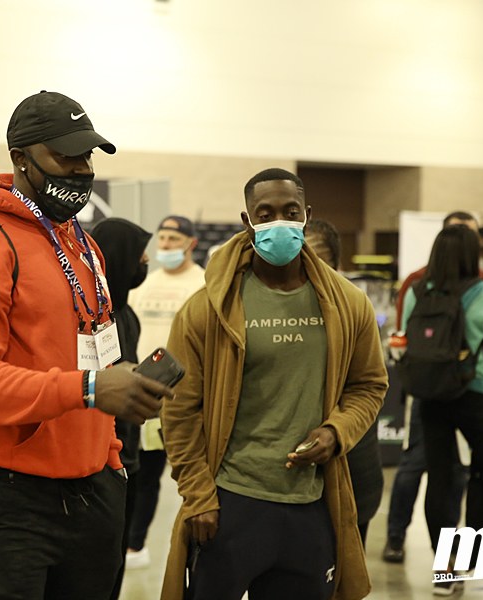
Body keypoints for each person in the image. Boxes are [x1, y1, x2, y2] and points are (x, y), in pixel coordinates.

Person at [0, 90, 171, 600]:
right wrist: (88, 389)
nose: (82, 169)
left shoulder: (82, 243)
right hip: (7, 496)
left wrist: (109, 454)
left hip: (92, 487)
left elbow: (95, 348)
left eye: (88, 156)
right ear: (21, 159)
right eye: (66, 156)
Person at [161, 168, 387, 600]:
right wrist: (198, 495)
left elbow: (369, 385)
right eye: (265, 214)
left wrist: (336, 431)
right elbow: (180, 408)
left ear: (306, 215)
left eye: (290, 211)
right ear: (247, 221)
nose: (279, 222)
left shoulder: (348, 304)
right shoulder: (207, 308)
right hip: (230, 501)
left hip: (312, 502)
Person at [382, 211, 483, 564]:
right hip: (475, 395)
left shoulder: (416, 289)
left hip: (430, 396)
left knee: (439, 481)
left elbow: (403, 341)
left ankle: (446, 569)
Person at [125, 214, 205, 569]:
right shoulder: (145, 283)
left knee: (184, 472)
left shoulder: (202, 283)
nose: (166, 245)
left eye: (173, 239)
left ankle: (190, 547)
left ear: (191, 244)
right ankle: (133, 544)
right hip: (142, 389)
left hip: (183, 396)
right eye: (162, 239)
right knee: (141, 472)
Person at [304, 219, 384, 545]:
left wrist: (336, 431)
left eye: (317, 260)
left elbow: (368, 386)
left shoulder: (354, 309)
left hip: (352, 466)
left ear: (337, 265)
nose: (307, 268)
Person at [88, 217, 153, 600]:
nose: (145, 261)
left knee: (115, 562)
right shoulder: (89, 315)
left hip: (129, 454)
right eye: (139, 254)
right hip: (95, 461)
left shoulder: (127, 314)